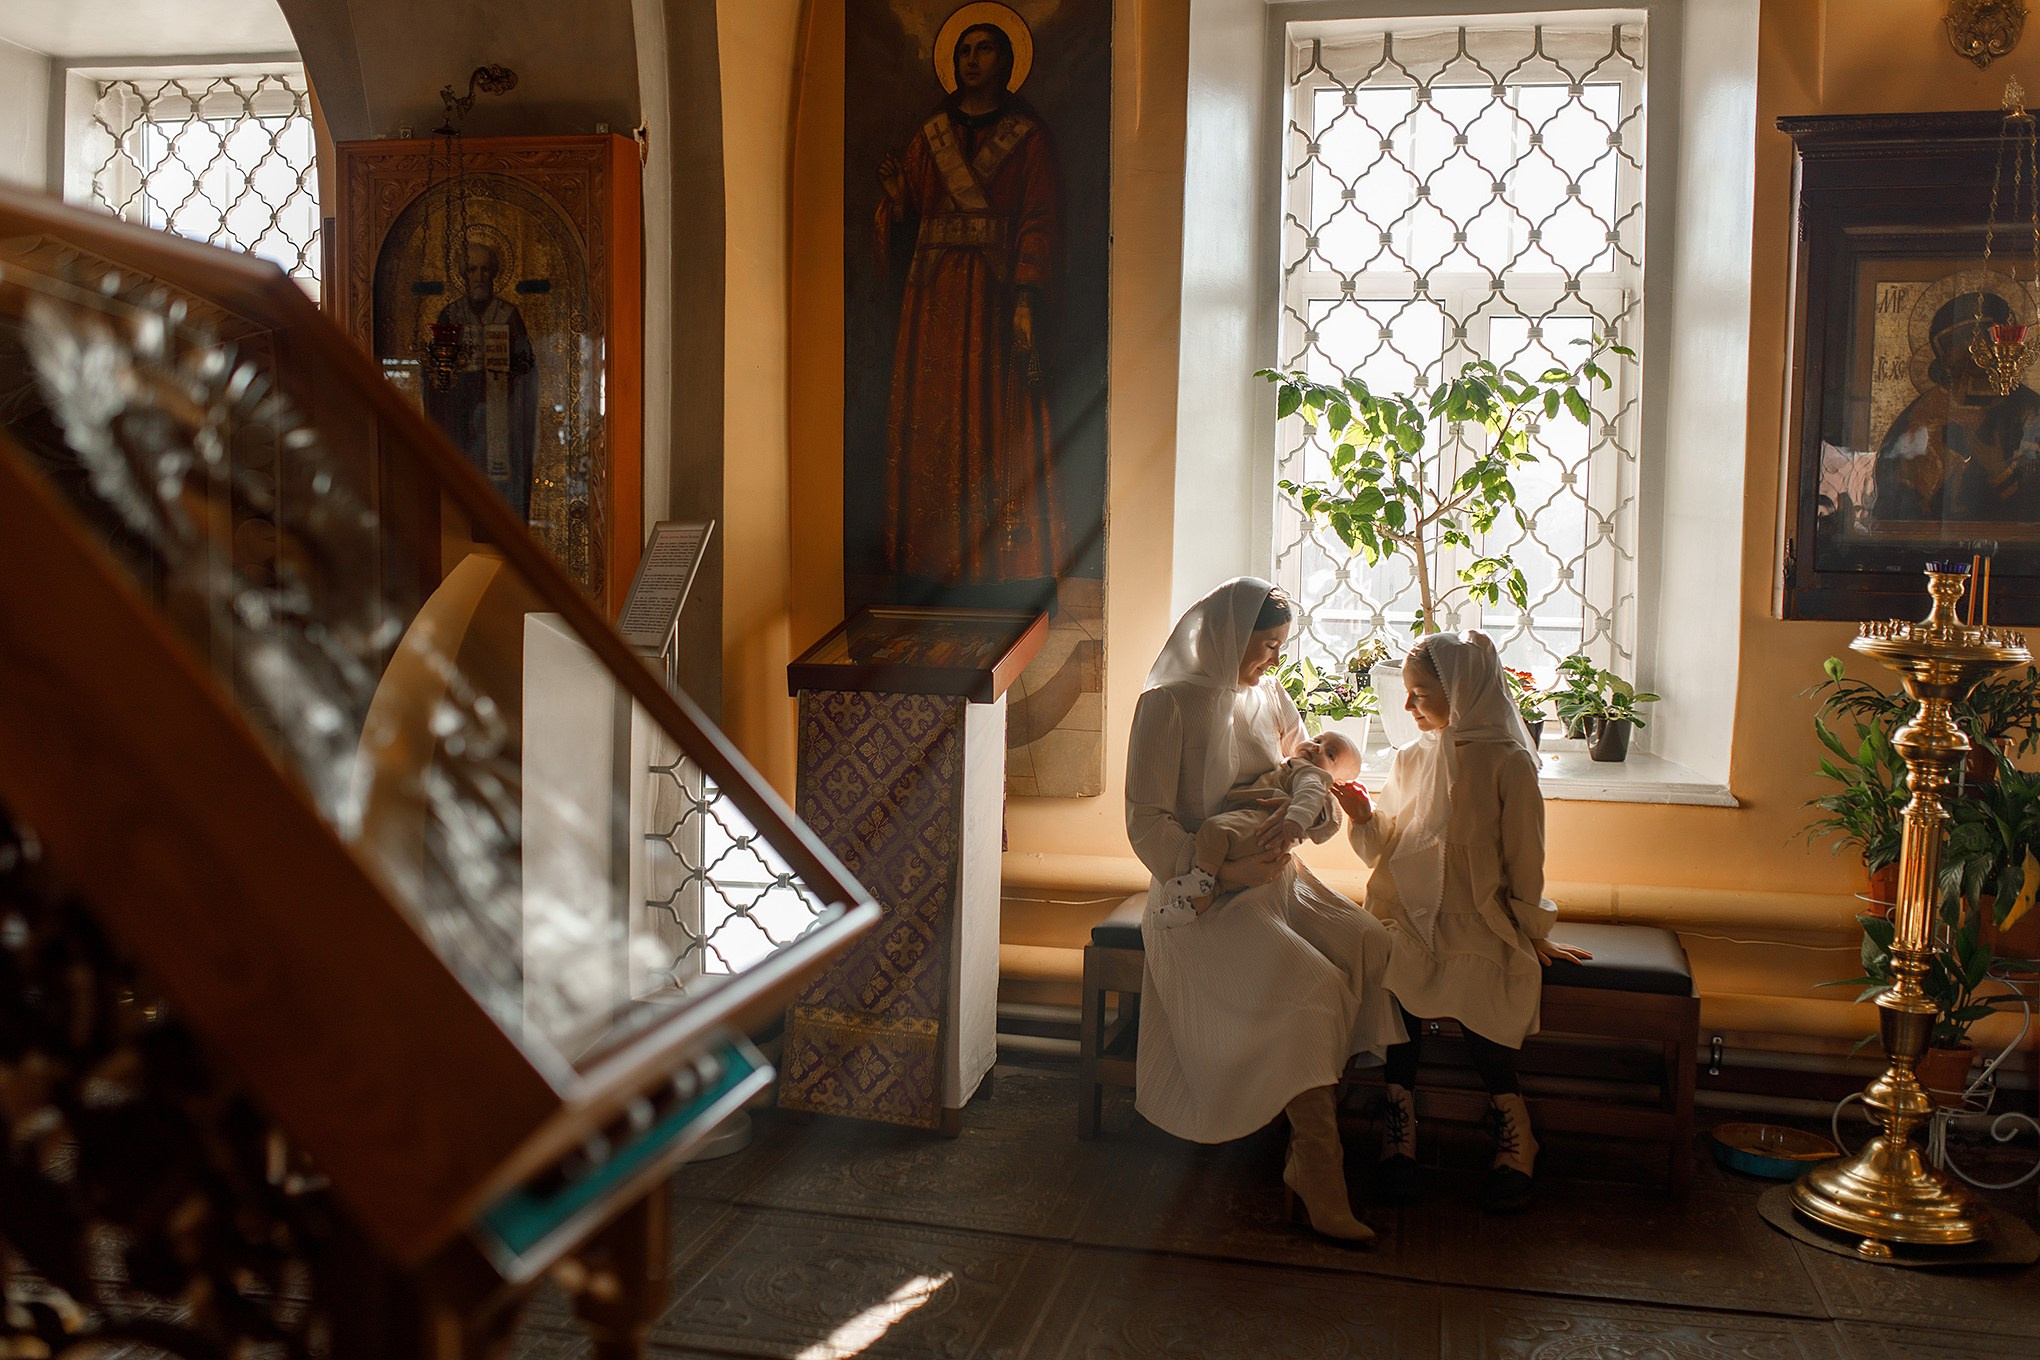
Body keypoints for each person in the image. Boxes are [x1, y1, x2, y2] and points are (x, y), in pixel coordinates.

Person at [1125, 578, 1404, 1243]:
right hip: (1201, 898)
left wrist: (1300, 820)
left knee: (1369, 944)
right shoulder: (1166, 707)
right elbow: (1147, 824)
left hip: (1279, 880)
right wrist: (1224, 867)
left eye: (1281, 647)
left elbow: (1312, 785)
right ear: (1227, 636)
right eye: (1266, 646)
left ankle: (1333, 1129)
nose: (1276, 661)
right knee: (1312, 988)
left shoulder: (1271, 697)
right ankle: (1320, 1172)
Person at [1335, 632, 1589, 1215]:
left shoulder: (1509, 761)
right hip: (1405, 914)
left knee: (1484, 986)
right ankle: (1400, 1124)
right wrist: (1363, 817)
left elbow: (1527, 858)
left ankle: (1514, 1126)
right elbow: (1383, 850)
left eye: (1420, 694)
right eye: (1408, 694)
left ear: (1464, 691)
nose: (1408, 708)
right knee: (1391, 977)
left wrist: (1533, 930)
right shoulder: (1410, 758)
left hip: (1479, 919)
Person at [873, 19, 1063, 590]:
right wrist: (899, 204)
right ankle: (929, 560)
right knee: (932, 422)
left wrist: (1025, 298)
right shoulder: (927, 137)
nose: (972, 60)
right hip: (931, 303)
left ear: (1007, 61)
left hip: (991, 296)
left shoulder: (1026, 138)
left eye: (985, 50)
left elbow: (1041, 221)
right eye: (964, 51)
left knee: (993, 418)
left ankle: (1002, 566)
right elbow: (905, 219)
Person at [1155, 731, 1363, 926]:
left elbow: (1311, 795)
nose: (1317, 748)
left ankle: (1201, 877)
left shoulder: (1310, 772)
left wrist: (1295, 819)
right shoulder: (1295, 764)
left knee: (1214, 829)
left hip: (1261, 823)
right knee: (1220, 857)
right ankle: (1195, 905)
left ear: (1337, 782)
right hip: (1255, 833)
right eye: (1317, 740)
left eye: (1330, 754)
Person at [1872, 291, 2040, 528]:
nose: (1968, 350)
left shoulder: (2027, 409)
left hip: (2011, 546)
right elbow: (1894, 497)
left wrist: (1998, 471)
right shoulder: (1924, 412)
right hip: (1931, 544)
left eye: (1976, 338)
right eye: (1954, 343)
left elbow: (2032, 507)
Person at [424, 238, 538, 522]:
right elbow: (435, 374)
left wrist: (508, 370)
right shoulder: (450, 315)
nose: (479, 277)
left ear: (494, 274)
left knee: (498, 487)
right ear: (463, 274)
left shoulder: (508, 315)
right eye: (472, 270)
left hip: (500, 417)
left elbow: (527, 369)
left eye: (485, 270)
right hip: (461, 414)